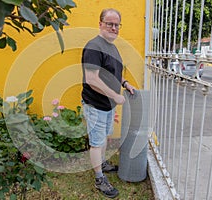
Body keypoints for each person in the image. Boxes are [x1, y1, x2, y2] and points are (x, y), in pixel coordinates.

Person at [81, 8, 135, 198]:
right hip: (95, 104)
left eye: (117, 25)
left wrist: (124, 83)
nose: (114, 28)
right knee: (97, 142)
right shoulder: (94, 47)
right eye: (109, 24)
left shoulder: (111, 46)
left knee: (104, 138)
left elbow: (114, 71)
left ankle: (102, 164)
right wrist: (115, 95)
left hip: (107, 105)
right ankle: (99, 178)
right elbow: (92, 79)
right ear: (100, 24)